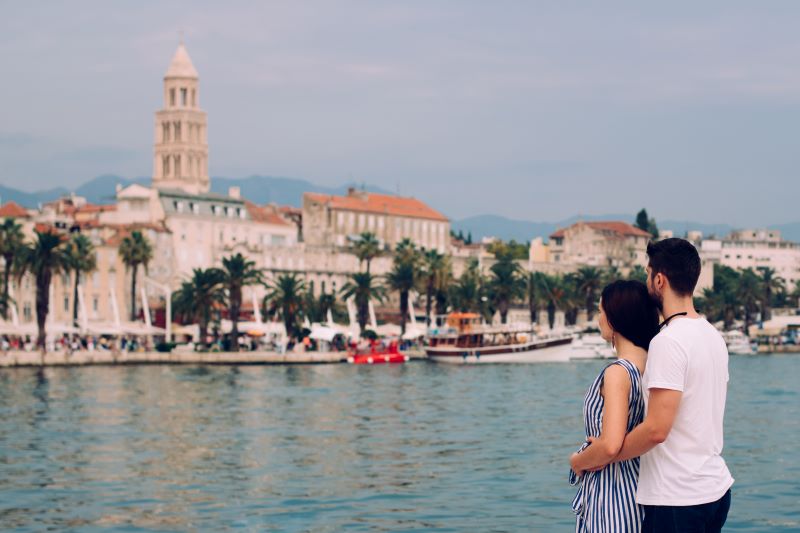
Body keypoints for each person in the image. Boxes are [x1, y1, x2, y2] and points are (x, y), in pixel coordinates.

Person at [602, 238, 734, 532]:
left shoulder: (669, 341)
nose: (646, 281)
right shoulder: (713, 336)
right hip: (715, 489)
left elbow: (656, 430)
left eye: (648, 274)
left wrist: (608, 454)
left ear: (659, 280)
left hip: (678, 498)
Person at [569, 280, 660, 532]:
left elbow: (610, 445)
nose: (598, 318)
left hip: (612, 494)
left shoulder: (618, 373)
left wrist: (577, 462)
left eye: (601, 311)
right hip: (641, 487)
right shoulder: (653, 365)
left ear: (616, 317)